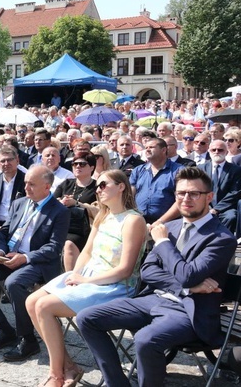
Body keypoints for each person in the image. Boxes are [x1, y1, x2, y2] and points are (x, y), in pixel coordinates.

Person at [77, 167, 237, 387]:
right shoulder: (169, 227)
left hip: (190, 311)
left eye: (194, 194)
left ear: (209, 197)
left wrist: (162, 243)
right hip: (155, 299)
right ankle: (116, 383)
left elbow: (187, 275)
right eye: (181, 193)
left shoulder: (220, 237)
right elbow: (148, 271)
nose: (186, 198)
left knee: (145, 339)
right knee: (87, 318)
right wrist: (186, 287)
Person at [26, 170, 147, 387]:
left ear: (121, 187)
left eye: (103, 185)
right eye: (97, 186)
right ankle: (69, 366)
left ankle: (56, 375)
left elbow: (125, 270)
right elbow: (88, 252)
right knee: (31, 301)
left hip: (115, 286)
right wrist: (75, 274)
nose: (98, 189)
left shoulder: (133, 220)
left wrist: (85, 281)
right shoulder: (103, 214)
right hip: (89, 277)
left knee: (44, 306)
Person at [0, 165, 70, 362]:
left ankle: (27, 339)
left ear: (47, 187)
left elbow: (54, 248)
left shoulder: (59, 212)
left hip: (37, 262)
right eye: (25, 183)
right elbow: (4, 231)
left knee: (13, 283)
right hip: (10, 256)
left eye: (32, 184)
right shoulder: (19, 203)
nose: (26, 188)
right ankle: (4, 329)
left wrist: (25, 257)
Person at [54, 152, 99, 271]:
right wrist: (60, 202)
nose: (77, 166)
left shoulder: (97, 187)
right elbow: (51, 203)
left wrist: (77, 203)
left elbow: (100, 211)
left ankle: (70, 279)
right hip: (62, 225)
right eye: (75, 164)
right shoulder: (66, 183)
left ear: (92, 167)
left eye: (82, 164)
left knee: (68, 244)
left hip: (84, 229)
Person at [200, 139, 241, 231]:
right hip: (204, 206)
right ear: (209, 151)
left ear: (226, 152)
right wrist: (208, 208)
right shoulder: (200, 169)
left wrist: (217, 209)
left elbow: (234, 193)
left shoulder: (236, 170)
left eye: (220, 150)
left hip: (226, 208)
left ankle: (222, 241)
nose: (216, 152)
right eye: (213, 150)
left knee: (231, 217)